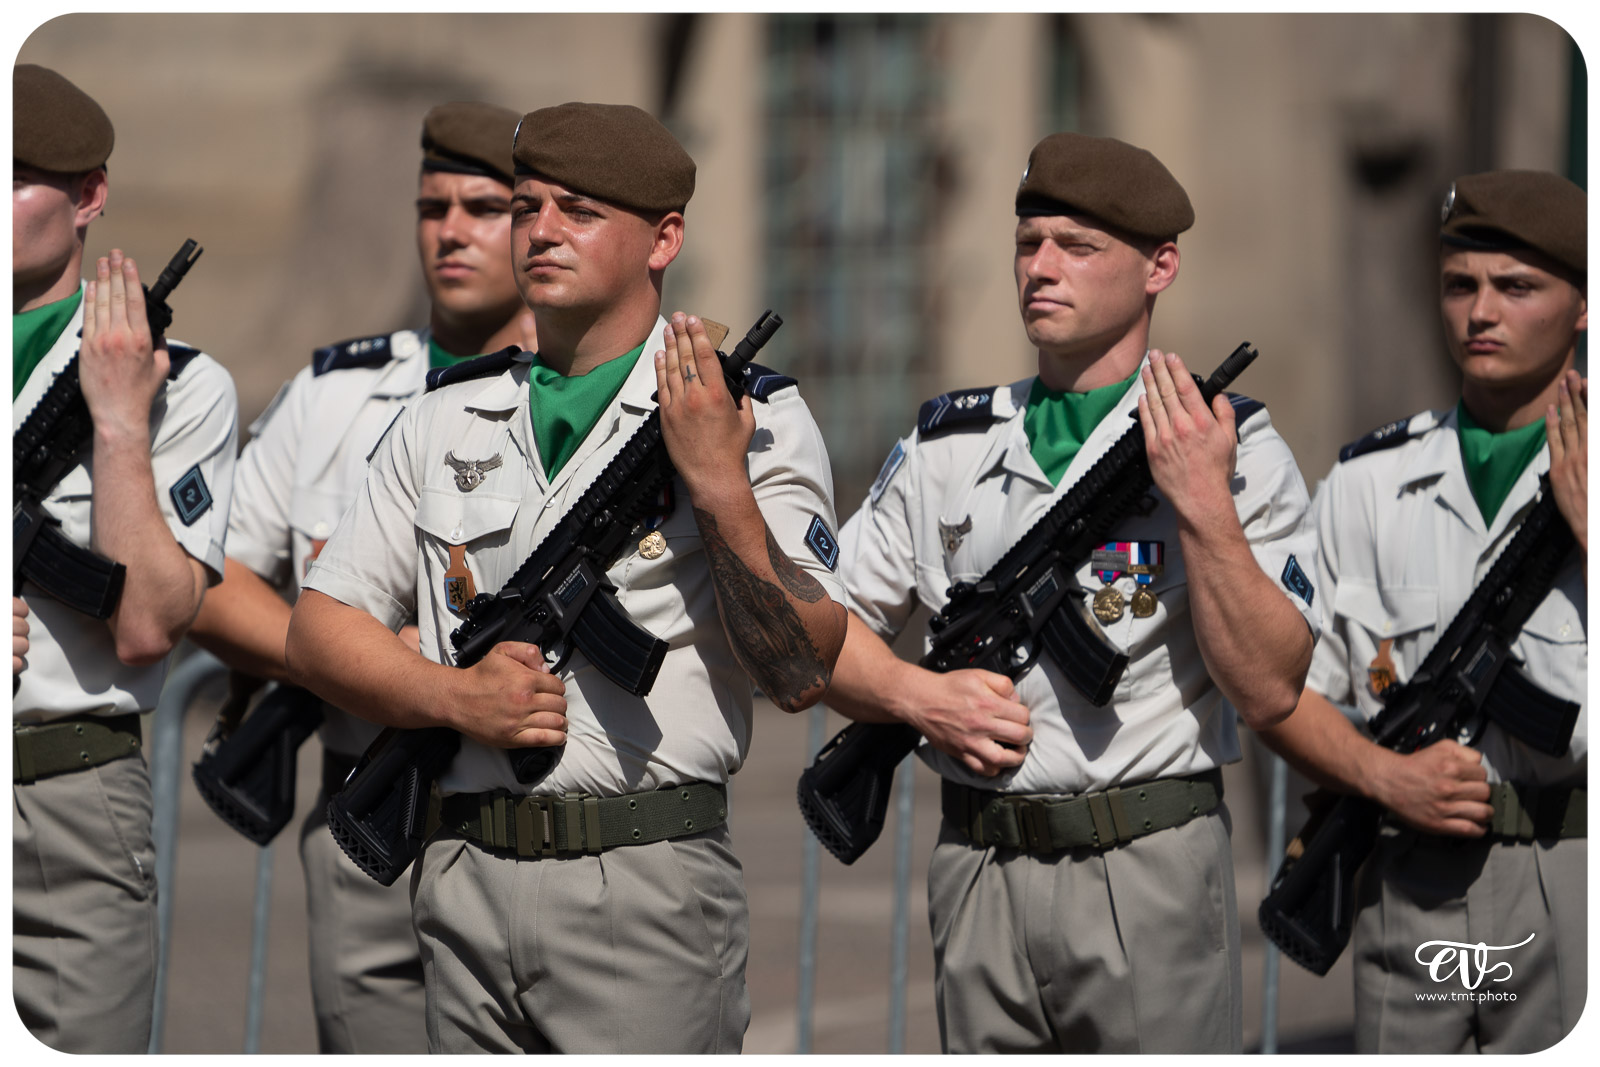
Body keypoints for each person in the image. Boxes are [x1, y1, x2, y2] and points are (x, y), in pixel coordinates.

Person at [283, 101, 848, 1053]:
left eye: (580, 211)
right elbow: (318, 629)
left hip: (641, 879)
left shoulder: (752, 415)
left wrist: (716, 480)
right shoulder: (445, 416)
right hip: (459, 875)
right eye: (528, 206)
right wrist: (454, 697)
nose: (541, 230)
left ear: (663, 236)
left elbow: (801, 666)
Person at [821, 131, 1320, 1053]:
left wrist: (1204, 505)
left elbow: (1269, 685)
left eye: (1077, 246)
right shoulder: (950, 444)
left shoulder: (1233, 446)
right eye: (1028, 242)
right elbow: (821, 629)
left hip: (1144, 869)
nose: (1041, 268)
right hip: (977, 863)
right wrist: (917, 696)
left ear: (1159, 265)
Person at [184, 100, 530, 1054]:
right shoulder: (338, 393)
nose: (451, 229)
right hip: (362, 805)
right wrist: (356, 659)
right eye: (432, 207)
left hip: (521, 813)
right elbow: (207, 579)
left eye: (481, 207)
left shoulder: (576, 404)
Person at [1258, 170, 1586, 1053]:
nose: (1481, 311)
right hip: (1411, 879)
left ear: (1584, 307)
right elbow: (1295, 693)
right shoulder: (1369, 484)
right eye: (1459, 285)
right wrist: (1381, 775)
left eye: (1517, 287)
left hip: (1574, 869)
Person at [12, 63, 238, 1053]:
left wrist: (116, 423)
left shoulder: (183, 390)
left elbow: (146, 624)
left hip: (62, 798)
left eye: (13, 174)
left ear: (89, 195)